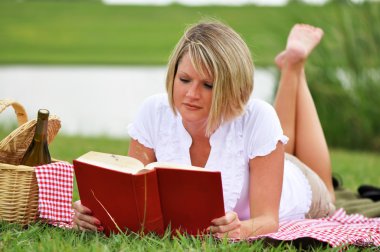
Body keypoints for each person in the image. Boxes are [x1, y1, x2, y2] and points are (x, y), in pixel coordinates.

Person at [73, 20, 336, 238]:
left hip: (297, 183)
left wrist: (240, 229)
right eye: (184, 79)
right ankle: (292, 66)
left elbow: (268, 220)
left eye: (208, 85)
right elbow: (133, 196)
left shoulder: (258, 117)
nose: (191, 94)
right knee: (282, 144)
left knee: (321, 182)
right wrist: (95, 212)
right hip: (264, 158)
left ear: (231, 86)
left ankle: (294, 67)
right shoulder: (153, 112)